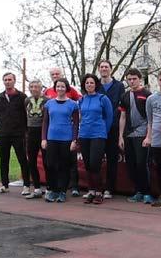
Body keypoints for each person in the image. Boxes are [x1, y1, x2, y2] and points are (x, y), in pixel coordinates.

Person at [44, 67, 82, 196]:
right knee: (51, 165)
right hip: (52, 138)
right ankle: (53, 190)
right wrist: (44, 138)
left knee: (64, 166)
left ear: (67, 88)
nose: (60, 89)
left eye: (62, 86)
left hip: (66, 139)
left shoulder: (73, 104)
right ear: (55, 89)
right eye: (58, 86)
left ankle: (62, 191)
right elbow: (45, 122)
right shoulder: (49, 104)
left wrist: (74, 140)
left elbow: (76, 123)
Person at [118, 68, 153, 204]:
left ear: (140, 79)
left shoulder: (147, 94)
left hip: (142, 134)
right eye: (129, 79)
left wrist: (148, 136)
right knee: (131, 165)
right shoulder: (125, 96)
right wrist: (120, 136)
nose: (132, 81)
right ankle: (138, 191)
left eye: (134, 79)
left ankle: (147, 193)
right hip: (128, 135)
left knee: (141, 164)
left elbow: (151, 118)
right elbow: (122, 117)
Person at [77, 73, 113, 205]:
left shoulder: (103, 98)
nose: (89, 85)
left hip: (98, 135)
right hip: (84, 135)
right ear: (84, 85)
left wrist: (104, 131)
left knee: (95, 163)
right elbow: (80, 117)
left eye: (91, 83)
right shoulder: (81, 100)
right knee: (87, 164)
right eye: (87, 83)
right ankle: (91, 191)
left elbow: (109, 117)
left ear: (96, 84)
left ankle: (99, 192)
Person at [0, 72, 29, 195]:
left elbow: (26, 115)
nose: (7, 82)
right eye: (5, 80)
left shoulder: (22, 97)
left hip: (18, 134)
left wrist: (25, 131)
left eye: (10, 79)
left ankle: (27, 185)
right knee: (4, 160)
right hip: (3, 133)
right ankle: (4, 185)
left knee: (22, 159)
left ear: (14, 81)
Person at [143, 69, 161, 206]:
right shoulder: (151, 99)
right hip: (156, 138)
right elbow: (150, 120)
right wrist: (148, 137)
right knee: (158, 168)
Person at [97, 60, 123, 199]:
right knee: (97, 159)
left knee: (112, 159)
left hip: (113, 127)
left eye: (106, 67)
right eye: (101, 67)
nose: (104, 69)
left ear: (111, 69)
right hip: (98, 128)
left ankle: (109, 188)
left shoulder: (119, 86)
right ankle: (97, 187)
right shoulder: (95, 85)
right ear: (99, 69)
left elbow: (121, 107)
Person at [24, 79, 47, 199]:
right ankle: (37, 188)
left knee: (47, 162)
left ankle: (50, 188)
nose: (33, 89)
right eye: (31, 87)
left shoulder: (47, 101)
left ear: (41, 88)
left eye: (36, 87)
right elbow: (25, 116)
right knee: (31, 161)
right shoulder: (27, 100)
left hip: (43, 133)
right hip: (31, 132)